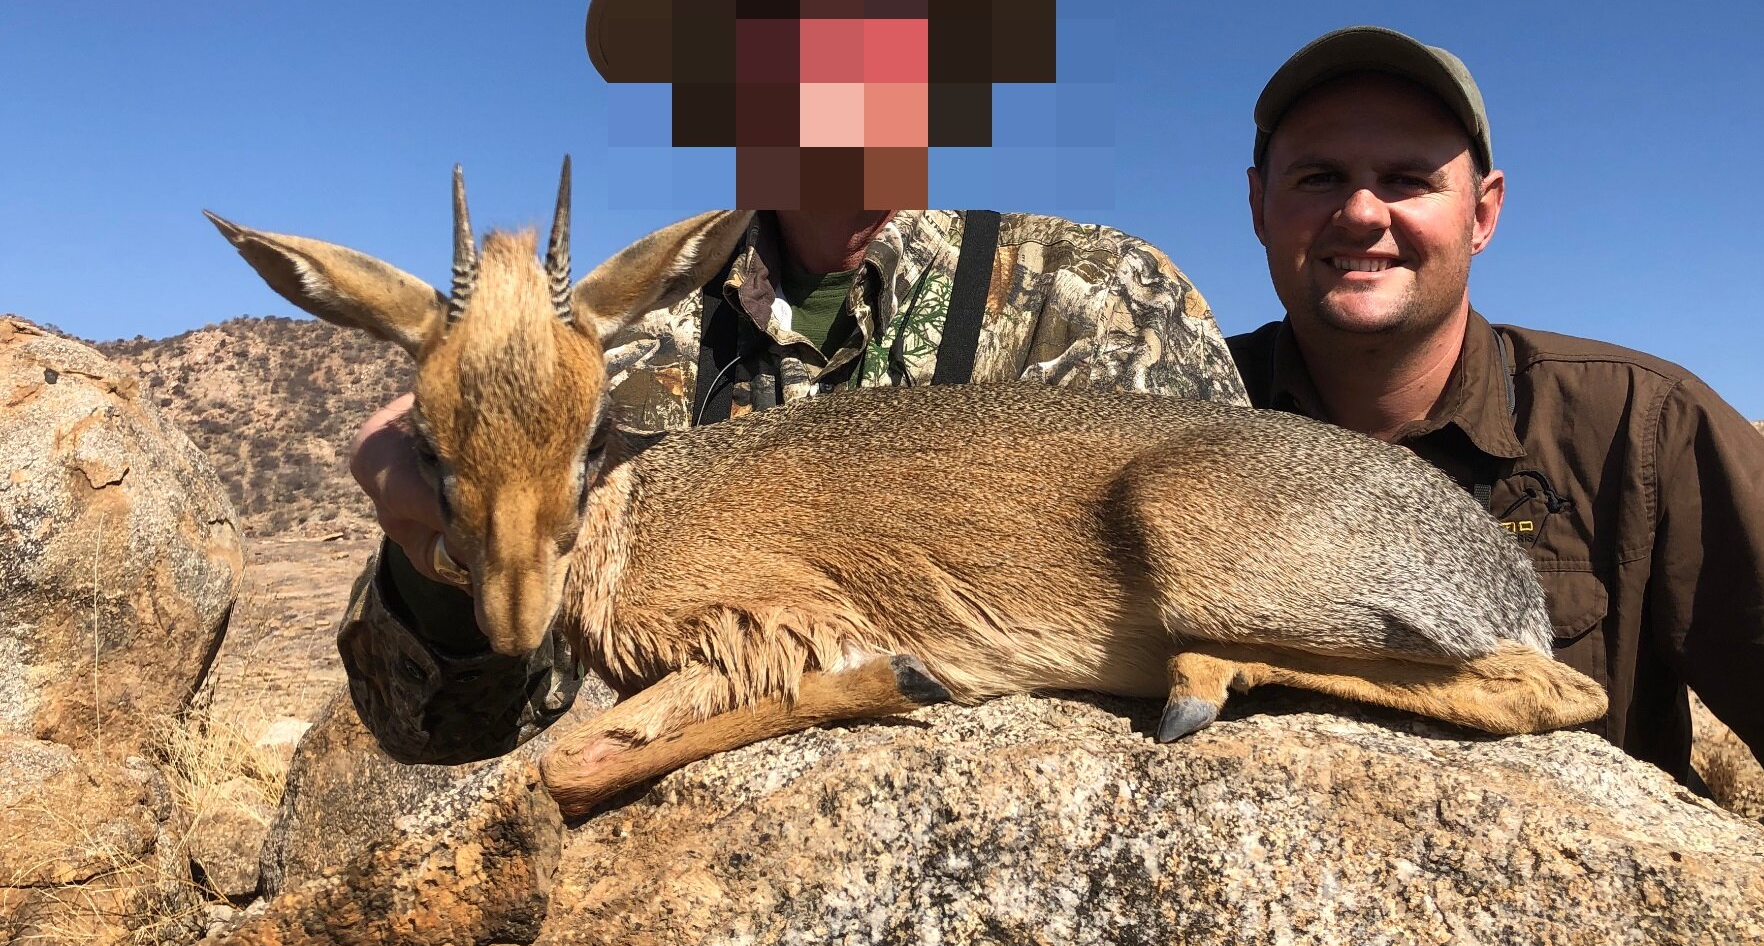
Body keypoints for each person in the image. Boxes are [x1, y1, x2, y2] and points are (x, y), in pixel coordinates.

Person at [1229, 23, 1764, 946]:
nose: (1362, 213)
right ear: (1258, 204)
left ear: (1484, 213)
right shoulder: (1180, 409)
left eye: (1409, 179)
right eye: (1319, 177)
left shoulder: (1637, 421)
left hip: (1605, 937)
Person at [340, 202, 1250, 765]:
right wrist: (449, 534)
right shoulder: (626, 350)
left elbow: (1242, 553)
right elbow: (449, 726)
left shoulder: (1094, 293)